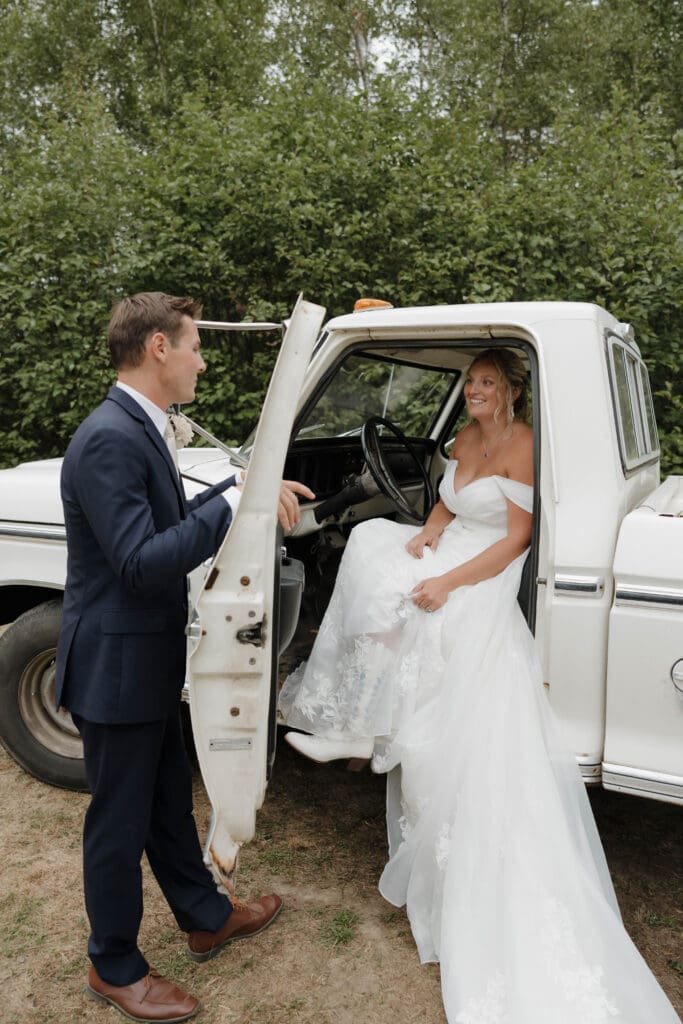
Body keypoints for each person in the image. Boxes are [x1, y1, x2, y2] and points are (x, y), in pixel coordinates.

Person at [280, 350, 682, 1023]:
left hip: (487, 565)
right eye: (470, 383)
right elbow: (446, 502)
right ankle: (353, 721)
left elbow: (516, 539)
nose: (473, 391)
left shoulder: (523, 446)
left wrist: (446, 580)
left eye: (485, 383)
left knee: (419, 607)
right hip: (456, 543)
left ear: (512, 391)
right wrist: (428, 535)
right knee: (372, 539)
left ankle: (368, 725)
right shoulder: (465, 437)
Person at [56, 292, 314, 1024]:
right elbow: (140, 563)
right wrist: (236, 507)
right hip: (115, 671)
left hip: (145, 661)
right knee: (119, 822)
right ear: (158, 348)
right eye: (195, 346)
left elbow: (164, 525)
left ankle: (205, 915)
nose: (202, 361)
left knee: (167, 800)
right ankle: (113, 964)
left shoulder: (139, 425)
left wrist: (242, 491)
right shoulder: (109, 438)